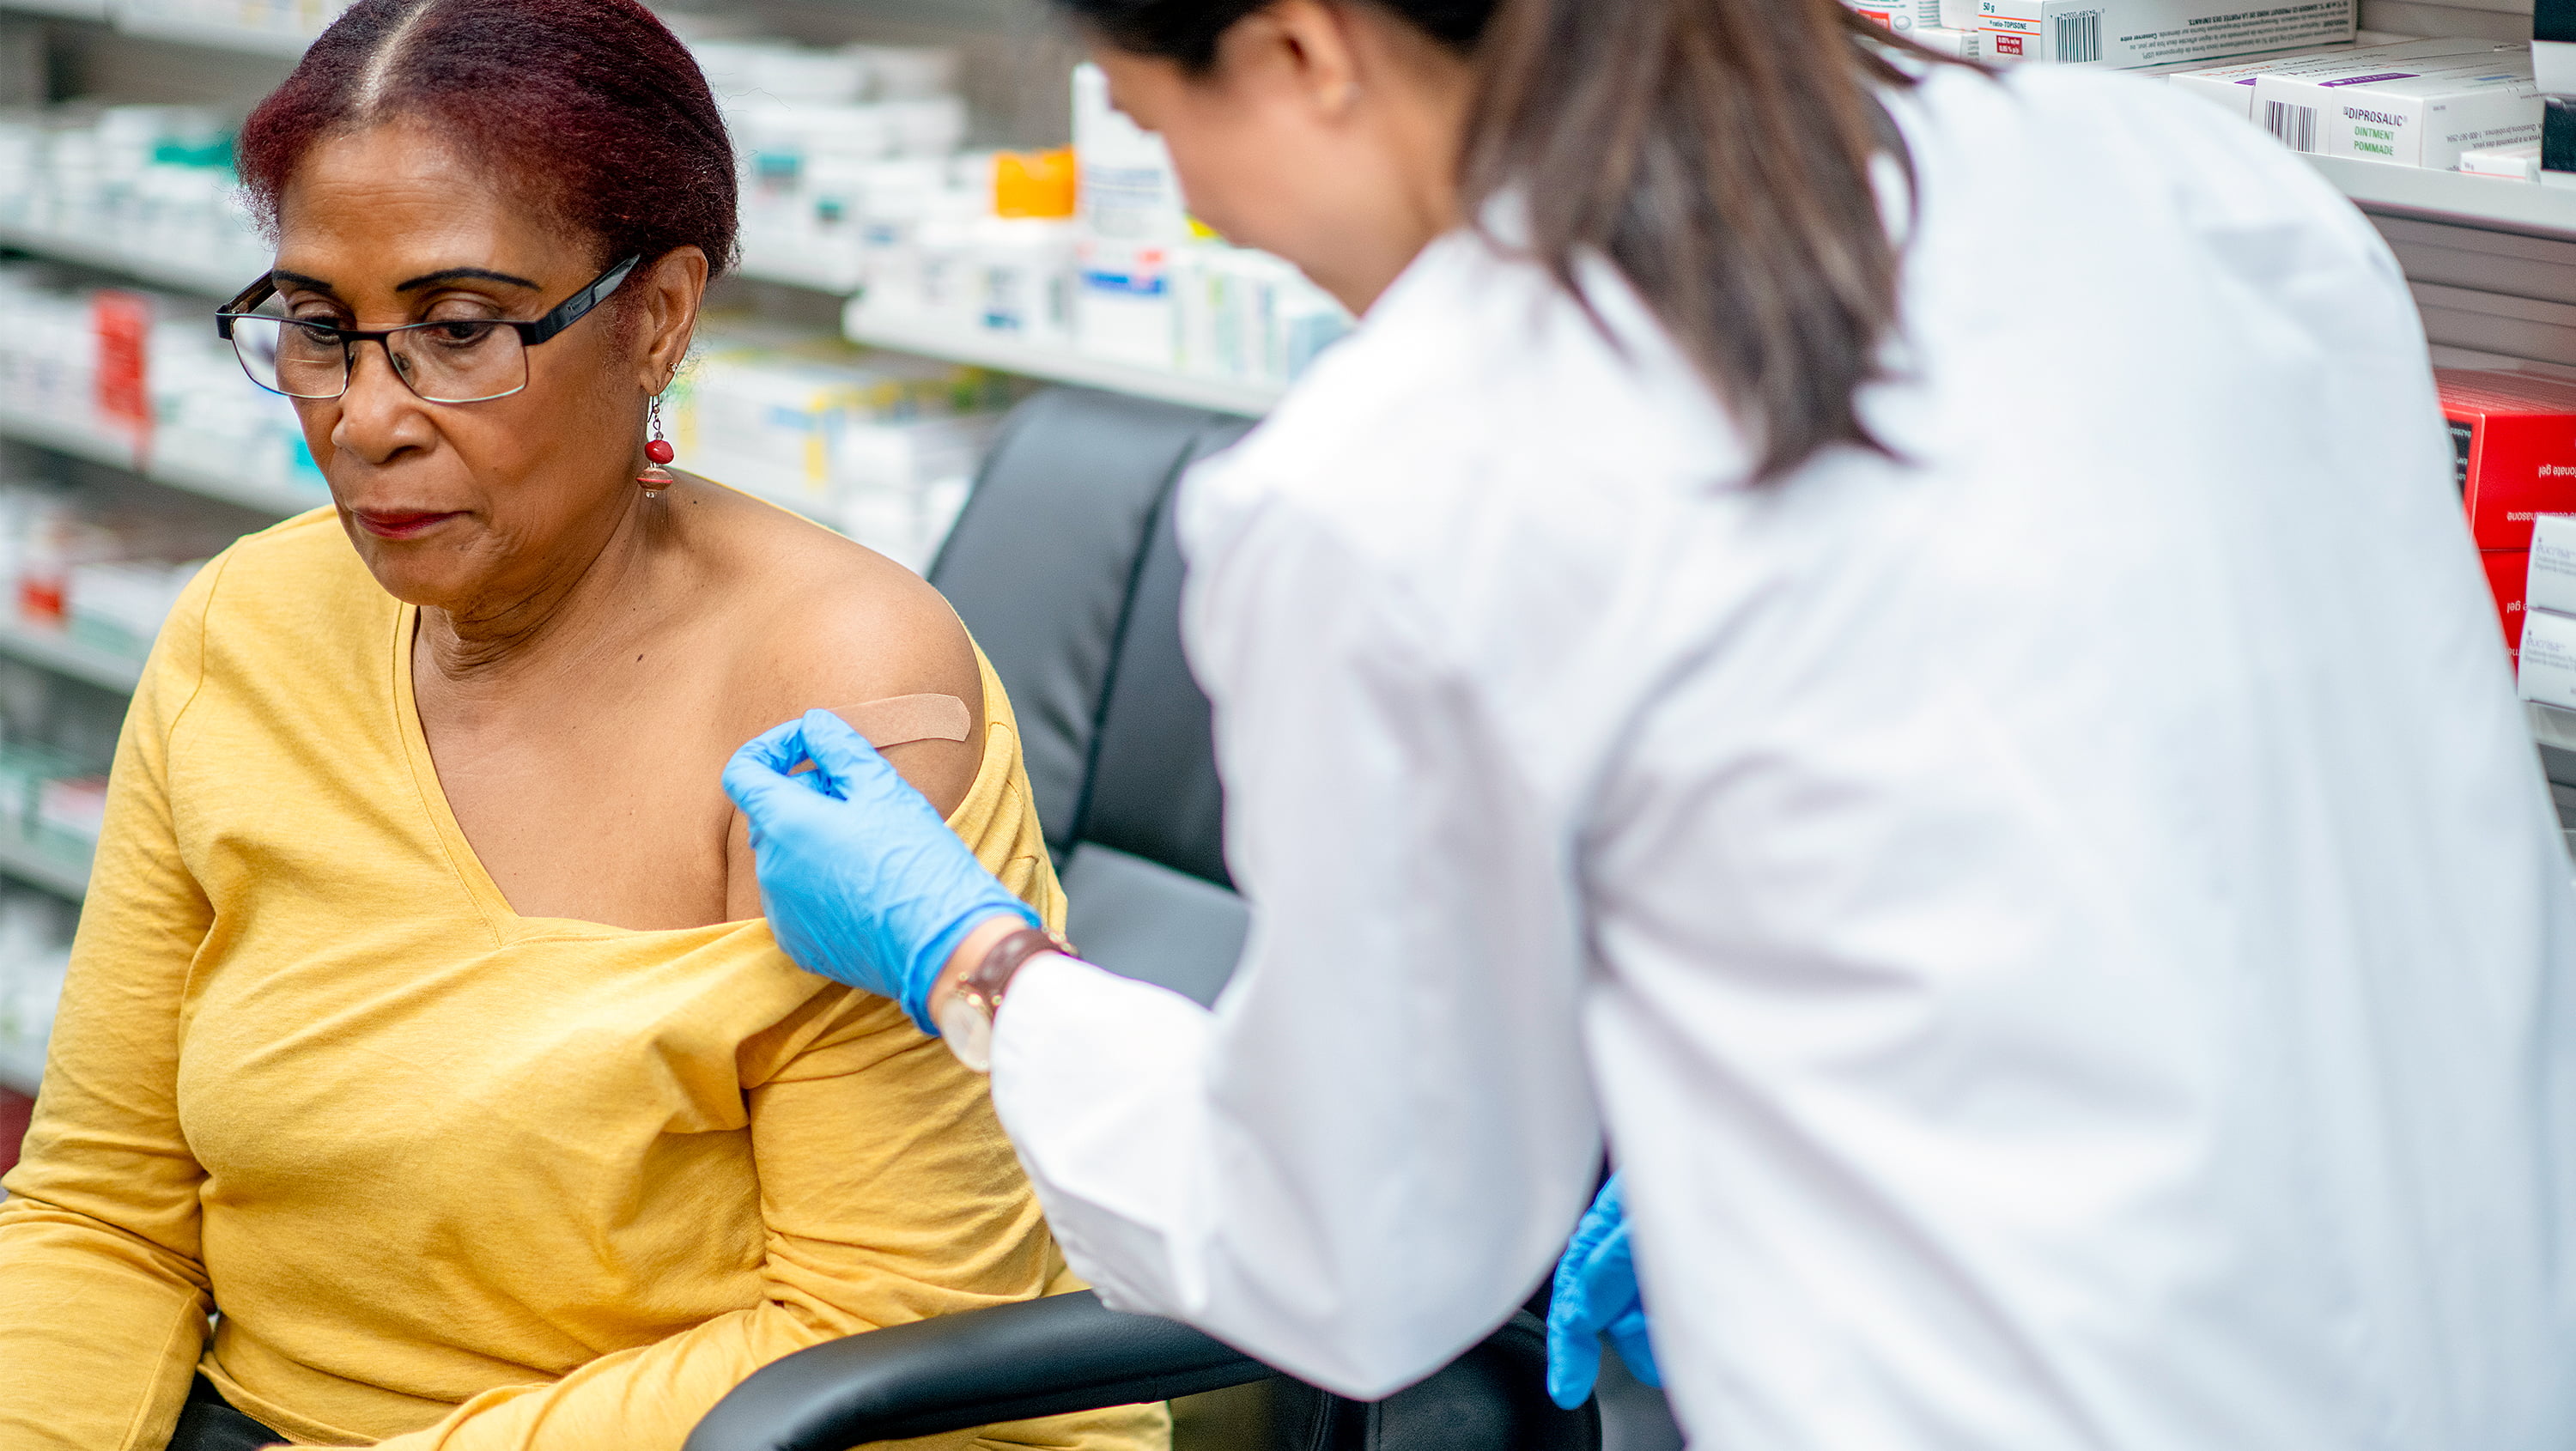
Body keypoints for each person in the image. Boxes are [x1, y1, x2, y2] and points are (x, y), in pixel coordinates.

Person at [725, 0, 2576, 1446]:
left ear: (1303, 49)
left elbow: (1347, 1258)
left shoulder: (1416, 465)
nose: (1193, 205)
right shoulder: (2189, 184)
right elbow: (2226, 828)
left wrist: (977, 958)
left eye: (1153, 121)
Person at [0, 3, 1163, 1450]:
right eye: (316, 329)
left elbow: (879, 1317)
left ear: (659, 314)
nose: (367, 419)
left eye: (461, 329)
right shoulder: (244, 627)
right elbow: (100, 1205)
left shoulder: (842, 687)